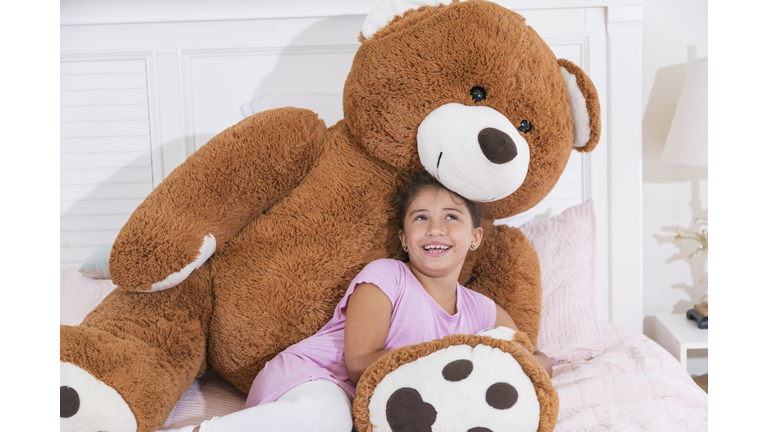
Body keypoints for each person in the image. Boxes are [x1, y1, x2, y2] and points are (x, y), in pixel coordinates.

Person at [162, 170, 552, 432]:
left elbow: (533, 358)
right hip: (315, 377)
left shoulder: (480, 309)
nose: (435, 228)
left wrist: (513, 365)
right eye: (420, 218)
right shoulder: (387, 276)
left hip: (367, 405)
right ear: (403, 239)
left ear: (475, 237)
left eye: (451, 217)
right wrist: (455, 354)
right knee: (329, 418)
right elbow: (359, 363)